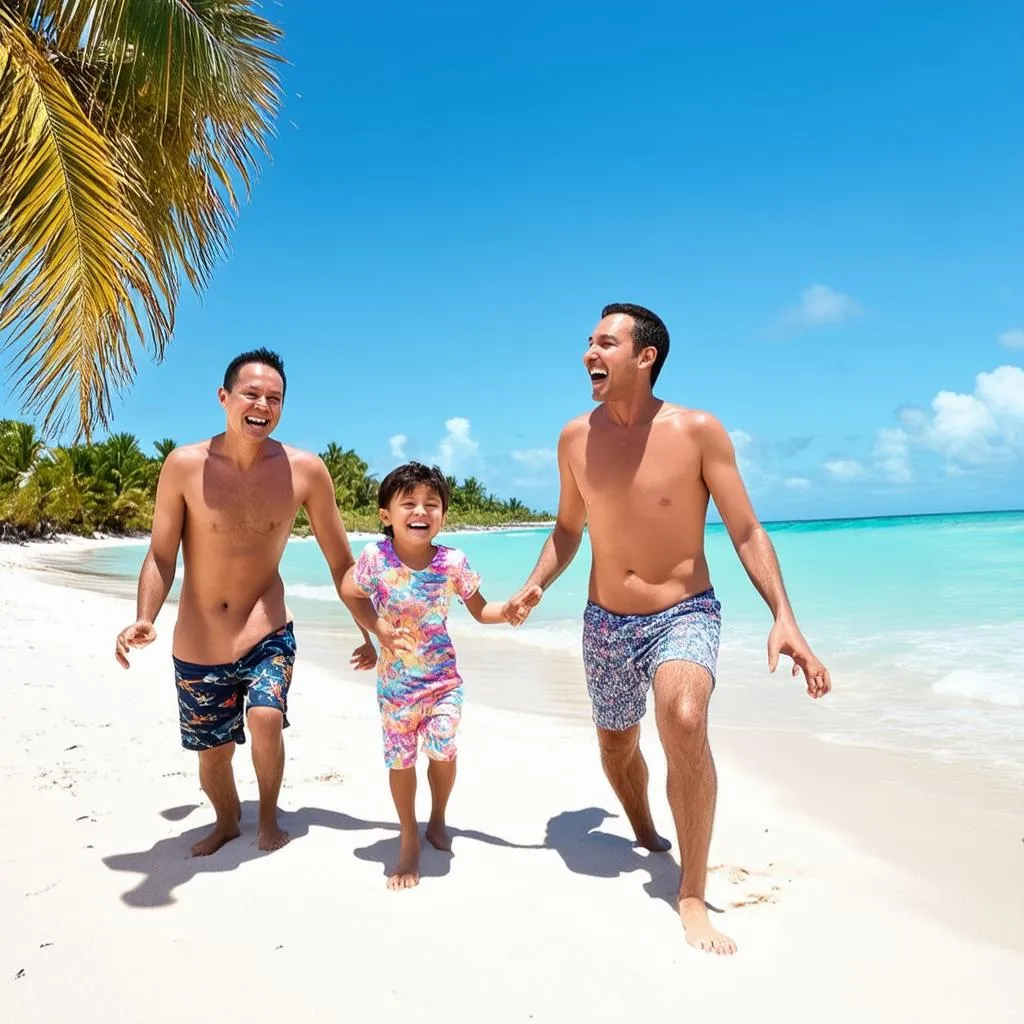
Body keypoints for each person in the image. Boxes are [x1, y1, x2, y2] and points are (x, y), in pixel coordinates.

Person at [503, 303, 832, 955]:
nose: (588, 353)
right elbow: (570, 529)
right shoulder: (575, 438)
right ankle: (646, 826)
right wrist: (537, 582)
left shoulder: (697, 430)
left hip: (685, 611)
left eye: (604, 342)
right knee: (617, 746)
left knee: (683, 716)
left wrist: (784, 616)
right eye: (588, 342)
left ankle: (689, 893)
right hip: (605, 621)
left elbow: (744, 528)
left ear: (644, 356)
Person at [114, 348, 376, 856]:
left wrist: (372, 627)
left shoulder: (305, 471)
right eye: (251, 394)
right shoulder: (184, 466)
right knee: (212, 758)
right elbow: (162, 554)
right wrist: (144, 617)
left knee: (265, 717)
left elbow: (343, 566)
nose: (262, 405)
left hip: (267, 628)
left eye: (274, 398)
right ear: (224, 398)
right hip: (200, 640)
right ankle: (227, 819)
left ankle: (270, 818)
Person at [342, 461, 511, 890]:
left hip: (442, 682)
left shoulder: (453, 562)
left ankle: (437, 817)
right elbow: (350, 592)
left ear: (443, 515)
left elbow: (481, 609)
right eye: (409, 503)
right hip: (396, 686)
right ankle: (408, 838)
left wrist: (508, 612)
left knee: (443, 747)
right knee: (400, 761)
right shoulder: (373, 558)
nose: (421, 511)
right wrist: (373, 632)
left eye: (431, 504)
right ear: (386, 515)